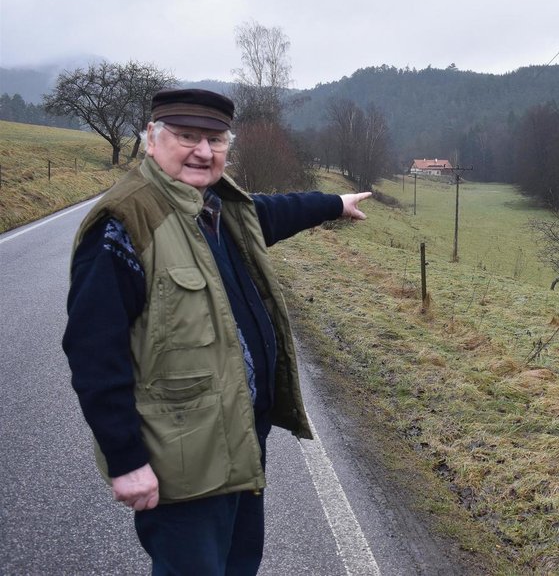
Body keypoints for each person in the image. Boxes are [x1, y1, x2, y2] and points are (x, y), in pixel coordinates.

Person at [62, 88, 371, 574]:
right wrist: (126, 460)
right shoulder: (124, 224)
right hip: (181, 461)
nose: (203, 151)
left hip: (239, 440)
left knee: (237, 564)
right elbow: (93, 352)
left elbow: (270, 213)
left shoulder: (215, 207)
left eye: (215, 139)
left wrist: (332, 203)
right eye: (187, 136)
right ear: (151, 139)